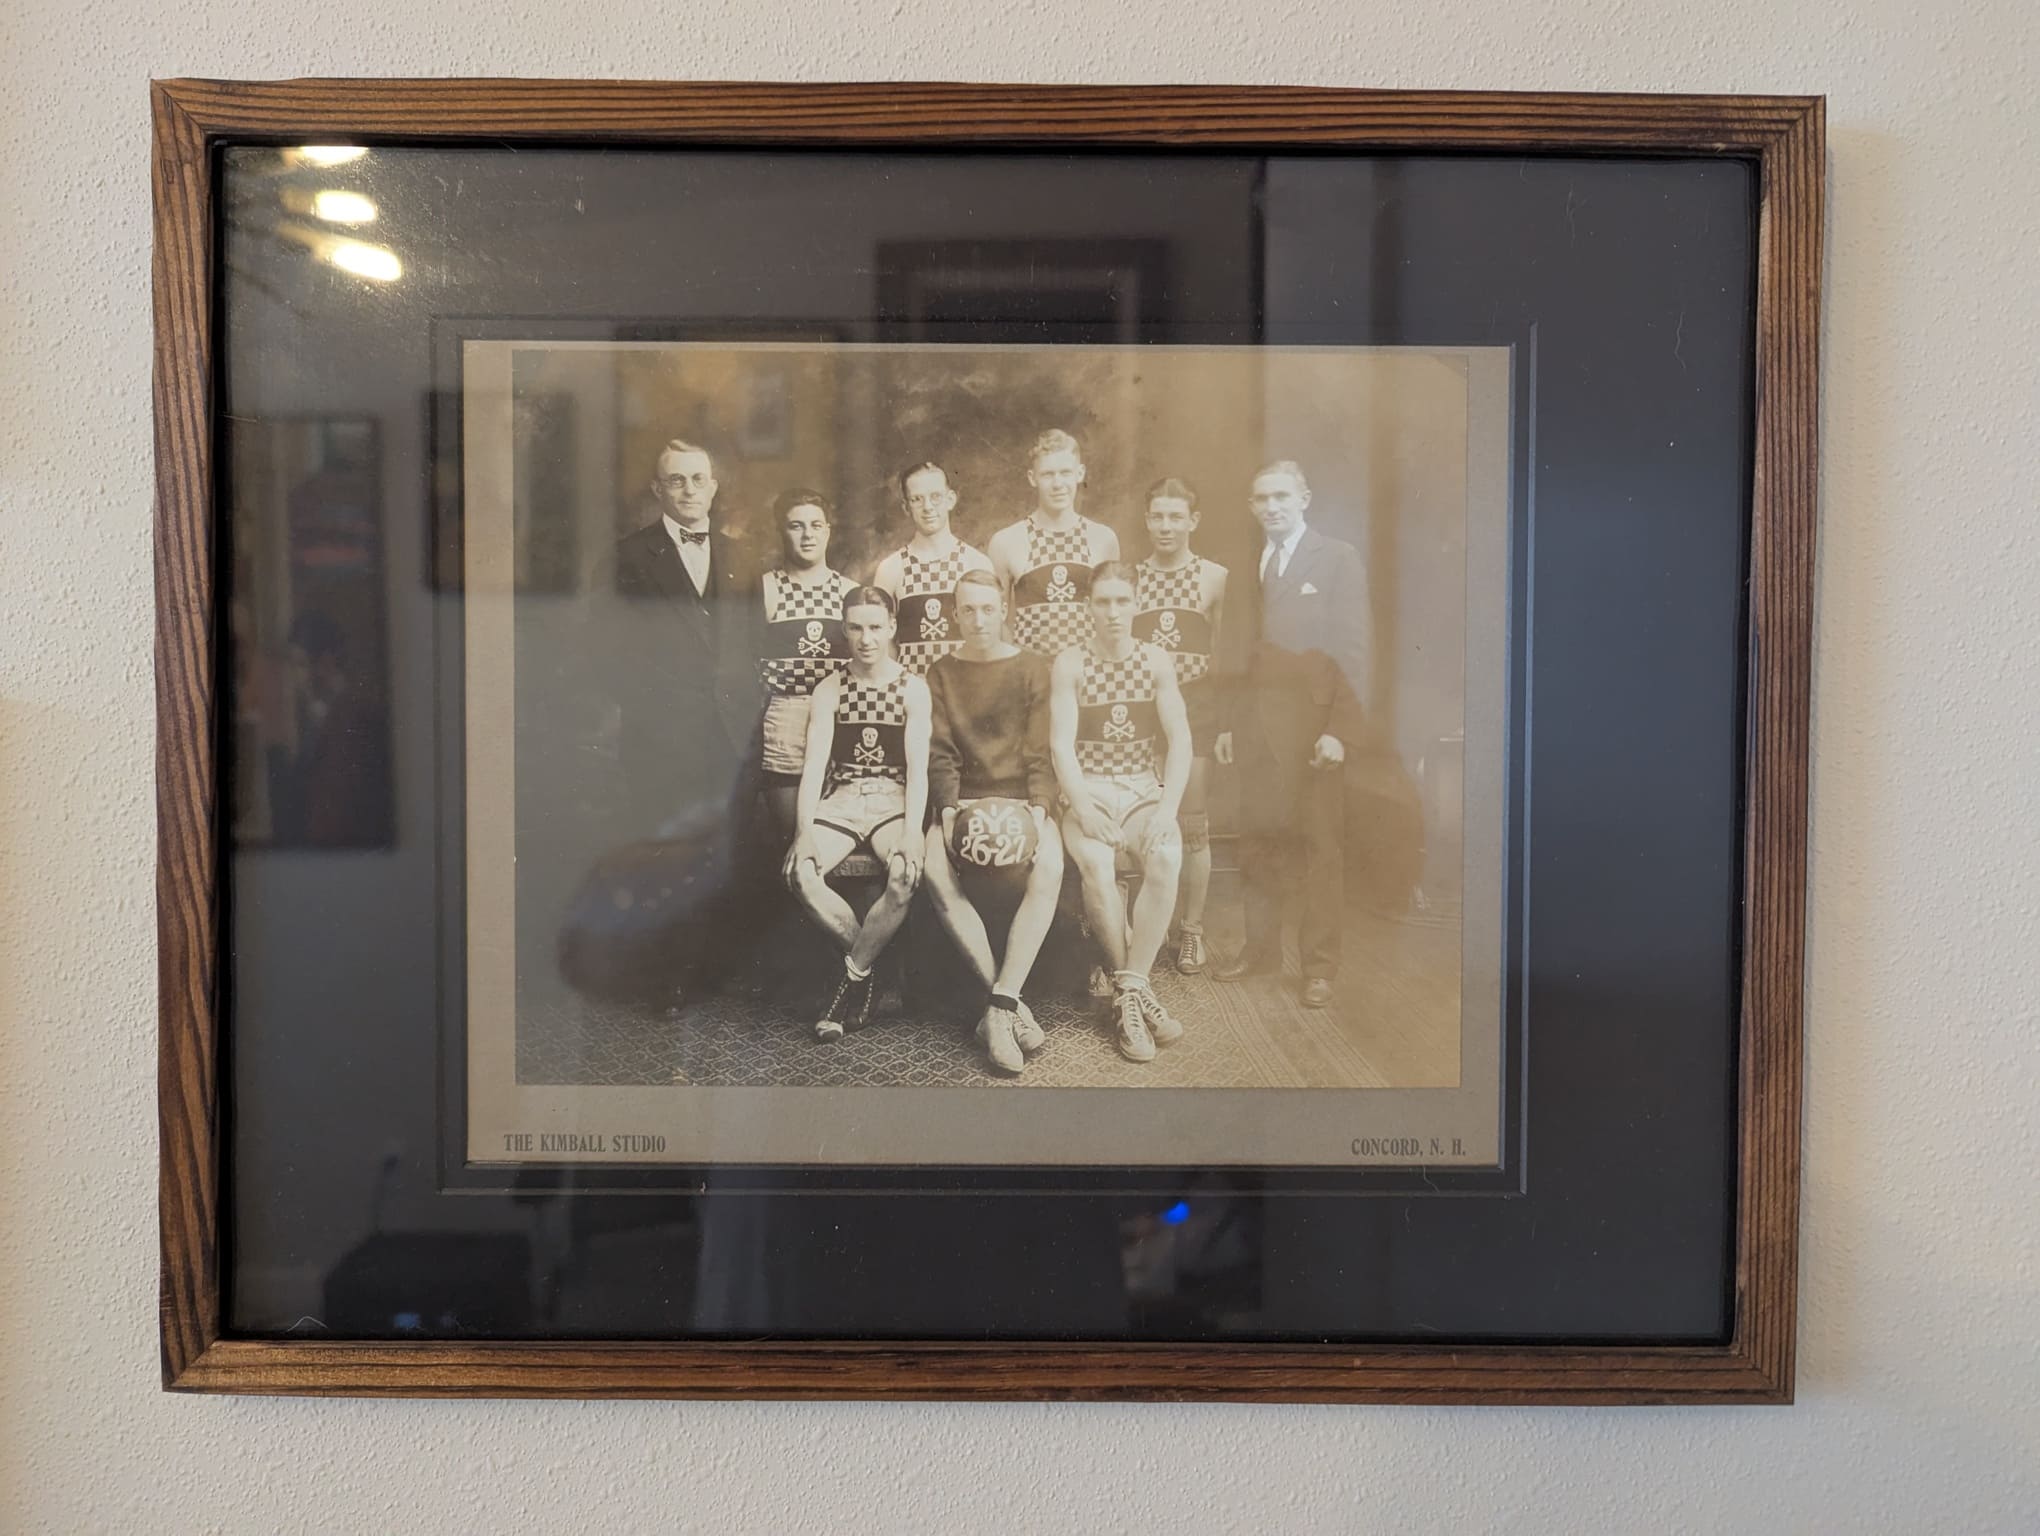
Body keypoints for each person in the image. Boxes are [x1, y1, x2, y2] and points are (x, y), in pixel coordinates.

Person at [1213, 461, 1369, 1009]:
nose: (1271, 507)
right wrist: (1228, 723)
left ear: (1305, 498)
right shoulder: (1247, 565)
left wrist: (1341, 731)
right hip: (1255, 728)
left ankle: (1319, 967)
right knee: (1258, 843)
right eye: (1261, 499)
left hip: (1312, 733)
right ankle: (1260, 951)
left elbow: (1355, 653)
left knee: (1320, 847)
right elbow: (1235, 653)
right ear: (1251, 507)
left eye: (1281, 496)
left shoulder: (1337, 558)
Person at [919, 570, 1065, 1075]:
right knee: (934, 870)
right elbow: (940, 754)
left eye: (987, 609)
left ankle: (997, 1010)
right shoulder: (940, 672)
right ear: (955, 614)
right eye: (968, 610)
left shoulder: (1032, 668)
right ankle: (1007, 1004)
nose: (978, 620)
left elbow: (1040, 752)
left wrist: (1039, 810)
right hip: (963, 800)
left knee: (1050, 867)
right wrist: (949, 810)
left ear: (1003, 610)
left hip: (1022, 800)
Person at [1049, 562, 1192, 1063]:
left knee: (1167, 856)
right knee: (1096, 863)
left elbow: (1180, 740)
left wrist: (1167, 810)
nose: (1113, 612)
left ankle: (1129, 992)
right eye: (1103, 601)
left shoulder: (1156, 660)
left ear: (1137, 603)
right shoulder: (1070, 662)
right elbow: (1061, 746)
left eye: (1122, 601)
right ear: (1089, 606)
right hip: (1088, 788)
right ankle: (1136, 996)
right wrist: (1083, 808)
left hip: (1140, 788)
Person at [782, 587, 931, 1042]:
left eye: (875, 627)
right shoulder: (830, 688)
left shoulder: (912, 688)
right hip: (844, 797)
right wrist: (804, 831)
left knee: (905, 875)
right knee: (800, 873)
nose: (866, 639)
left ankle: (849, 979)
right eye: (856, 628)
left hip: (892, 799)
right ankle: (868, 967)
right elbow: (814, 767)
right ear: (845, 630)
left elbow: (918, 771)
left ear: (891, 627)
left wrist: (913, 831)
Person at [604, 438, 759, 842]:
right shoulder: (629, 556)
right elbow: (606, 649)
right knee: (667, 854)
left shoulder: (742, 555)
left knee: (727, 851)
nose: (689, 490)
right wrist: (652, 711)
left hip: (730, 734)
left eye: (698, 479)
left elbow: (754, 641)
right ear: (658, 489)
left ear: (713, 487)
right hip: (661, 740)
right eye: (676, 480)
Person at [1132, 477, 1228, 975]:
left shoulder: (1214, 578)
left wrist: (1225, 723)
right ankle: (1148, 928)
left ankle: (1191, 930)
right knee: (1144, 815)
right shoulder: (1131, 578)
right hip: (1142, 708)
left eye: (1175, 517)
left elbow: (1226, 660)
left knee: (1191, 822)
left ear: (1194, 520)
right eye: (1157, 516)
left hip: (1196, 705)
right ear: (1146, 519)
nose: (1165, 526)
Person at [753, 489, 857, 832]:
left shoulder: (849, 592)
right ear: (781, 531)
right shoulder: (766, 590)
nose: (807, 535)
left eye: (815, 525)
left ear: (828, 531)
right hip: (784, 726)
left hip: (841, 724)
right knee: (793, 838)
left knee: (837, 836)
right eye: (796, 526)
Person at [988, 428, 1120, 659]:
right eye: (1048, 474)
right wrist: (1022, 667)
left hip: (1090, 670)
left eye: (1065, 472)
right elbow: (996, 621)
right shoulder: (1006, 541)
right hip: (1031, 673)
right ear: (1032, 478)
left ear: (1080, 473)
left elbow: (1114, 614)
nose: (1058, 484)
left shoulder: (1103, 539)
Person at [873, 461, 995, 675]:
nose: (928, 507)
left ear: (950, 500)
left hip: (965, 686)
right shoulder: (891, 568)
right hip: (911, 688)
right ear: (906, 507)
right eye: (917, 499)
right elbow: (882, 644)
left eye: (935, 497)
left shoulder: (976, 562)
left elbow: (991, 636)